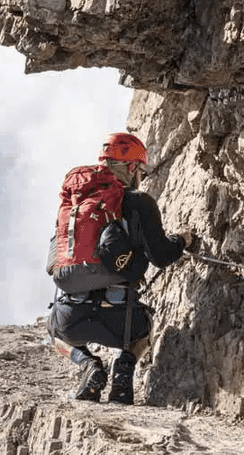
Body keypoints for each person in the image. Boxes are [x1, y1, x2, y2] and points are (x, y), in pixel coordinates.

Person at [47, 132, 192, 405]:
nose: (141, 178)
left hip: (71, 319)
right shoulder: (138, 201)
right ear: (131, 167)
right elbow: (161, 255)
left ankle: (88, 364)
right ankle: (123, 376)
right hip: (121, 319)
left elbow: (55, 261)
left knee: (53, 332)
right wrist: (182, 240)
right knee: (144, 330)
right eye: (140, 171)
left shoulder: (73, 206)